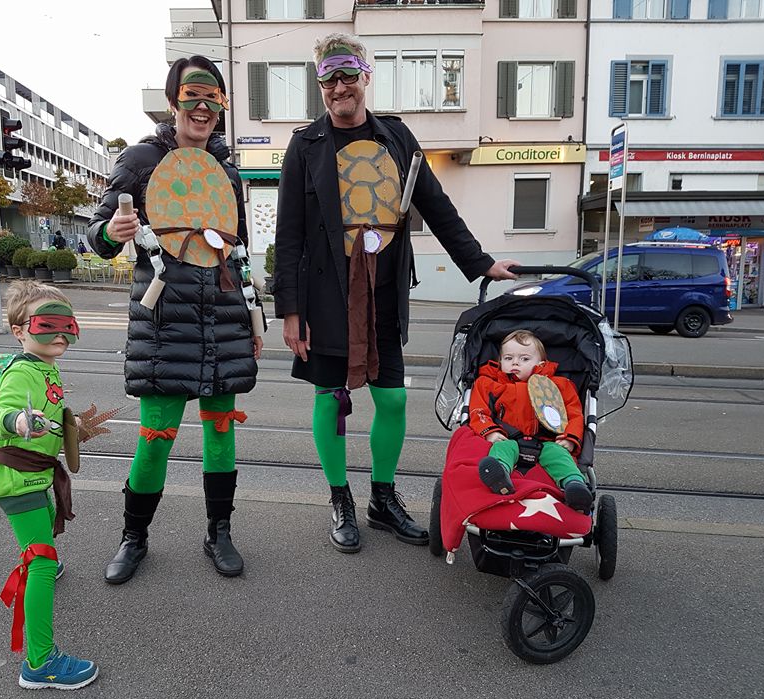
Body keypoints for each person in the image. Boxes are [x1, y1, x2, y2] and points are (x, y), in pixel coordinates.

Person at [273, 33, 519, 553]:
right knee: (331, 398)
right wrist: (290, 310)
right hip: (325, 295)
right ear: (321, 85)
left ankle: (381, 499)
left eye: (348, 74)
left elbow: (438, 206)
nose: (339, 86)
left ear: (366, 75)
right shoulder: (305, 145)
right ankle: (340, 500)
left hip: (383, 293)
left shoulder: (398, 139)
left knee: (393, 398)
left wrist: (480, 264)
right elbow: (288, 234)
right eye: (329, 77)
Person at [88, 56, 262, 582]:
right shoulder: (141, 160)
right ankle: (133, 537)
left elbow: (239, 247)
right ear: (173, 102)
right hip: (166, 317)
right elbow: (96, 234)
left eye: (214, 99)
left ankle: (219, 533)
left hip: (225, 313)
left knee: (220, 432)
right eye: (193, 97)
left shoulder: (227, 171)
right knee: (156, 433)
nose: (204, 109)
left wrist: (253, 315)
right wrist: (111, 232)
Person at [0, 280, 97, 690]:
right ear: (20, 331)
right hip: (18, 478)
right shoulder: (21, 372)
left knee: (46, 525)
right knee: (42, 560)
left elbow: (48, 411)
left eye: (68, 324)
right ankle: (40, 663)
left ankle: (41, 564)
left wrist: (71, 427)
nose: (61, 334)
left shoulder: (45, 366)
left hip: (35, 473)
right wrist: (16, 420)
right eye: (48, 324)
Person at [468, 329, 593, 513]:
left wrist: (570, 438)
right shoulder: (490, 384)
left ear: (541, 363)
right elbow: (478, 411)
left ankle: (574, 484)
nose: (515, 362)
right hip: (508, 440)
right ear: (500, 360)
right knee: (499, 450)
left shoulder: (559, 385)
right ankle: (499, 475)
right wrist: (491, 431)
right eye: (508, 358)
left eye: (525, 359)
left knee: (559, 457)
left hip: (547, 442)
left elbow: (574, 414)